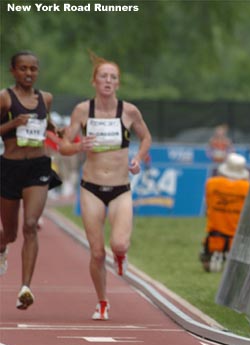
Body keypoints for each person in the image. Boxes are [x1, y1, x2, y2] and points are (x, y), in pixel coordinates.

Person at [59, 52, 152, 321]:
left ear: (118, 84)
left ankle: (121, 256)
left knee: (119, 244)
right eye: (103, 76)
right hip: (91, 188)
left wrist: (137, 157)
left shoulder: (129, 111)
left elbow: (146, 138)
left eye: (113, 77)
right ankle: (102, 302)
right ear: (94, 81)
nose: (108, 81)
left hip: (121, 186)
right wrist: (79, 145)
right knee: (97, 253)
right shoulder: (82, 110)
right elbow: (64, 146)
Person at [0, 51, 61, 310]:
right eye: (23, 69)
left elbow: (47, 126)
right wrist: (13, 124)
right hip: (10, 167)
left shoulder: (45, 99)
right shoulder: (4, 98)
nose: (28, 73)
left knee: (31, 224)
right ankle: (2, 246)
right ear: (13, 71)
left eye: (33, 69)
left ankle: (25, 288)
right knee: (11, 233)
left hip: (37, 167)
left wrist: (57, 131)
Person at [199, 153, 250, 272]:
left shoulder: (211, 183)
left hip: (213, 241)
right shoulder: (247, 187)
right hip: (237, 242)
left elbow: (209, 206)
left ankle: (213, 256)